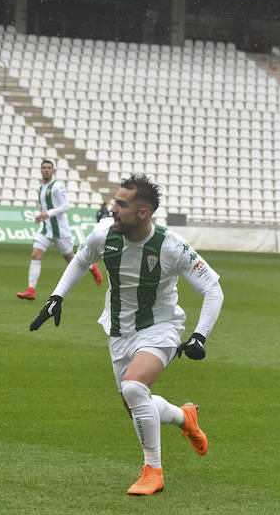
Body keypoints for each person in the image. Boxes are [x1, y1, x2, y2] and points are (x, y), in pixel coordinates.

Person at [29, 174, 223, 495]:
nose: (112, 208)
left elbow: (212, 289)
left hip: (161, 328)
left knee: (134, 388)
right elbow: (80, 261)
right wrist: (56, 296)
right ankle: (183, 416)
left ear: (142, 213)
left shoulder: (171, 246)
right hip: (119, 329)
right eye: (114, 201)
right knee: (135, 404)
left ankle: (153, 471)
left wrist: (200, 335)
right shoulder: (104, 233)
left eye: (121, 204)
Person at [17, 159, 102, 300]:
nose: (46, 170)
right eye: (44, 167)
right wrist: (41, 216)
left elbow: (65, 206)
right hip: (46, 228)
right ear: (41, 170)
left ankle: (92, 267)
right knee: (35, 255)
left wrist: (47, 213)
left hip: (60, 230)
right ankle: (31, 290)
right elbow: (44, 207)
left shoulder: (57, 186)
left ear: (53, 170)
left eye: (49, 167)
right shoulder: (40, 188)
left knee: (71, 259)